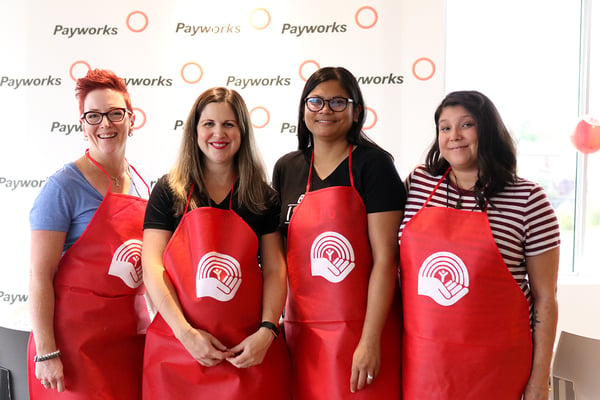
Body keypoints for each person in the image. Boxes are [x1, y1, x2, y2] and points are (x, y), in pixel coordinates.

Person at [399, 90, 560, 400]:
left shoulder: (528, 199)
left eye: (466, 125)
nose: (454, 136)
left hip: (496, 370)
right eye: (444, 128)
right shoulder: (417, 185)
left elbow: (545, 299)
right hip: (422, 366)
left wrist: (540, 381)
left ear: (487, 130)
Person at [141, 87, 291, 399]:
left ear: (242, 132)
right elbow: (152, 267)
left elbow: (276, 268)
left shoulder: (262, 197)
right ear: (194, 130)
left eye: (229, 124)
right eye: (208, 123)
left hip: (247, 353)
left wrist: (267, 331)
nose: (218, 133)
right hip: (177, 351)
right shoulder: (169, 191)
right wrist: (186, 334)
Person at [272, 66, 406, 399]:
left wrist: (370, 340)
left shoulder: (373, 165)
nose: (325, 111)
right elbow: (277, 259)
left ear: (356, 111)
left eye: (337, 102)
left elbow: (386, 260)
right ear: (303, 109)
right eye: (315, 101)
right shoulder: (287, 167)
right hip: (302, 333)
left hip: (362, 331)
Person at [27, 68, 151, 399]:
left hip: (127, 344)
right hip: (72, 349)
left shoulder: (143, 185)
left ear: (131, 119)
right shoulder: (63, 187)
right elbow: (40, 277)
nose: (105, 124)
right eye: (93, 116)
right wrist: (46, 352)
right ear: (82, 124)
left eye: (114, 113)